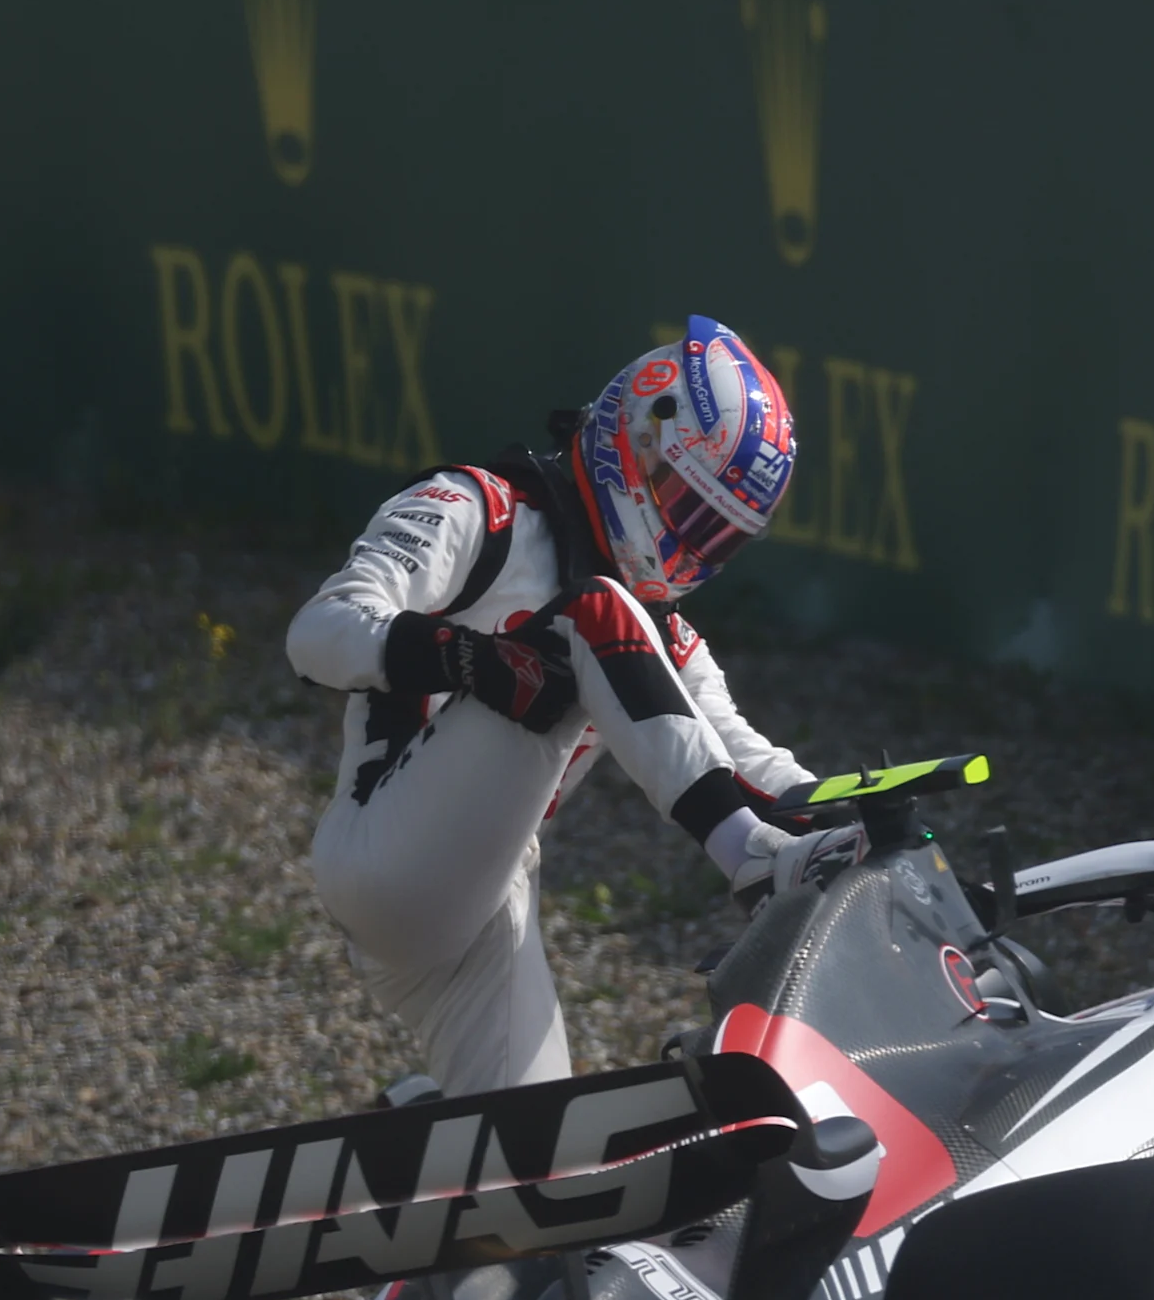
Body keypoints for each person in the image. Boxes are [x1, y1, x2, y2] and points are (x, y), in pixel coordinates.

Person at [286, 316, 853, 1101]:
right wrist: (461, 655)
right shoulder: (476, 508)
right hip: (382, 861)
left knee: (540, 1175)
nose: (686, 546)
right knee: (590, 612)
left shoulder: (656, 628)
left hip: (490, 902)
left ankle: (403, 1138)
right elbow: (316, 634)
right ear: (640, 436)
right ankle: (747, 861)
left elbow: (750, 764)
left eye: (714, 536)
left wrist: (863, 821)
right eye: (684, 506)